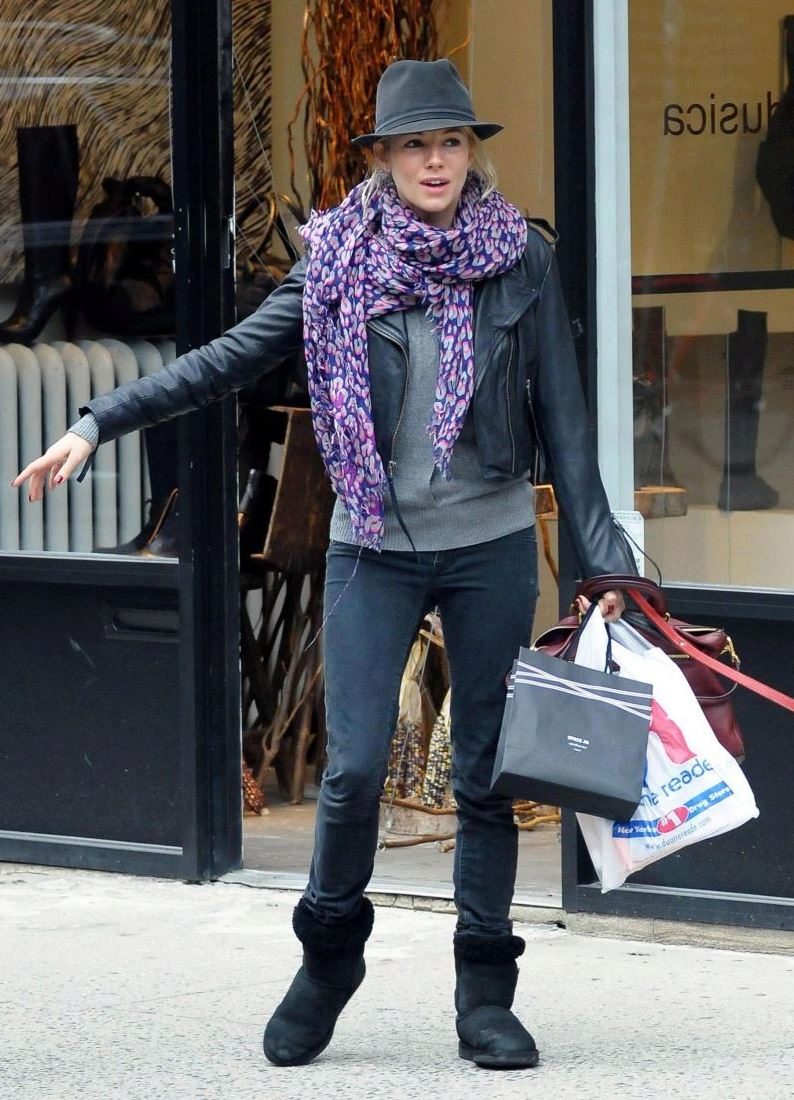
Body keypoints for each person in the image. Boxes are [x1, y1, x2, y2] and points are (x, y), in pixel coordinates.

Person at [14, 59, 633, 1071]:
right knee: (349, 773)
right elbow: (226, 359)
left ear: (469, 152)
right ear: (382, 158)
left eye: (450, 142)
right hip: (371, 547)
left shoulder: (519, 256)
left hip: (487, 545)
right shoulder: (337, 259)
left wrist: (603, 564)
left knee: (482, 776)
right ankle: (327, 960)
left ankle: (485, 992)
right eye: (414, 145)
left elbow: (563, 414)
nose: (435, 161)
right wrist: (98, 417)